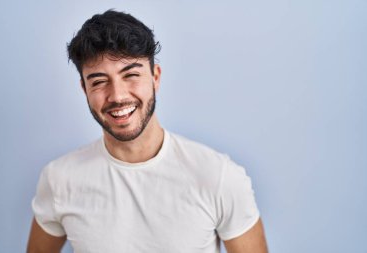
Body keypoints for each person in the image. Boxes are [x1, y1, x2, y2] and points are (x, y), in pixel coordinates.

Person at [27, 9, 268, 253]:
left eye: (131, 75)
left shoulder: (219, 177)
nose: (118, 95)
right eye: (99, 81)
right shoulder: (59, 179)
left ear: (155, 77)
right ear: (84, 88)